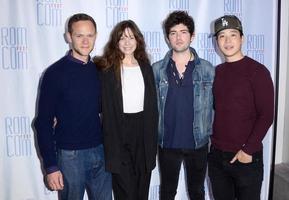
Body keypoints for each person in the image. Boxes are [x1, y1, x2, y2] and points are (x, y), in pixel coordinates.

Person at [34, 13, 112, 200]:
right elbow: (43, 122)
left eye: (90, 35)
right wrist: (51, 167)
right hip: (70, 156)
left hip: (101, 152)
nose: (85, 41)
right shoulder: (54, 73)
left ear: (96, 36)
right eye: (79, 36)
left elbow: (107, 110)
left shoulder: (100, 70)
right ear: (69, 37)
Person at [208, 15, 274, 200]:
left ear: (242, 38)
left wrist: (248, 150)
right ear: (216, 41)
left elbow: (267, 114)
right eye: (222, 36)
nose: (227, 41)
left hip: (246, 157)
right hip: (217, 157)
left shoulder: (257, 72)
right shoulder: (217, 72)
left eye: (233, 34)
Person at [152, 11, 215, 200]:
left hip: (198, 142)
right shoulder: (156, 70)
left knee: (197, 192)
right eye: (173, 33)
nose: (178, 37)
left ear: (192, 35)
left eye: (183, 32)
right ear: (167, 38)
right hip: (167, 142)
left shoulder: (207, 69)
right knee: (167, 192)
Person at [94, 20, 158, 200]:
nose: (127, 42)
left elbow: (153, 107)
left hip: (143, 133)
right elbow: (93, 99)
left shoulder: (146, 67)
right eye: (122, 38)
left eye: (131, 37)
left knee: (141, 190)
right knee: (125, 191)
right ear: (116, 41)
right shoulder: (105, 69)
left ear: (138, 40)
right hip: (117, 133)